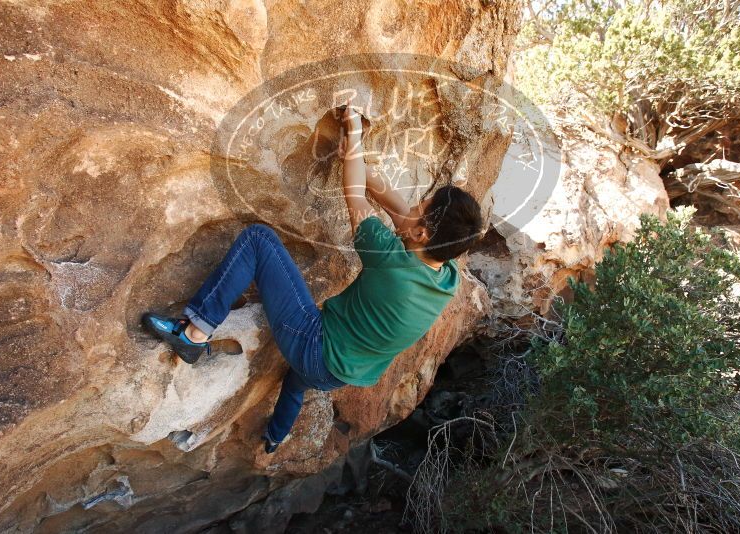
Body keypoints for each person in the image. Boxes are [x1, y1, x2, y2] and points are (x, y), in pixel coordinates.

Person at [143, 103, 484, 453]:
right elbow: (395, 208)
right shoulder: (446, 275)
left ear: (424, 234)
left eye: (421, 206)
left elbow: (354, 195)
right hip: (340, 374)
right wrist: (355, 158)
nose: (413, 206)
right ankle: (275, 437)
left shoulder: (389, 260)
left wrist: (353, 133)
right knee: (295, 383)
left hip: (314, 347)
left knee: (259, 240)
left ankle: (193, 333)